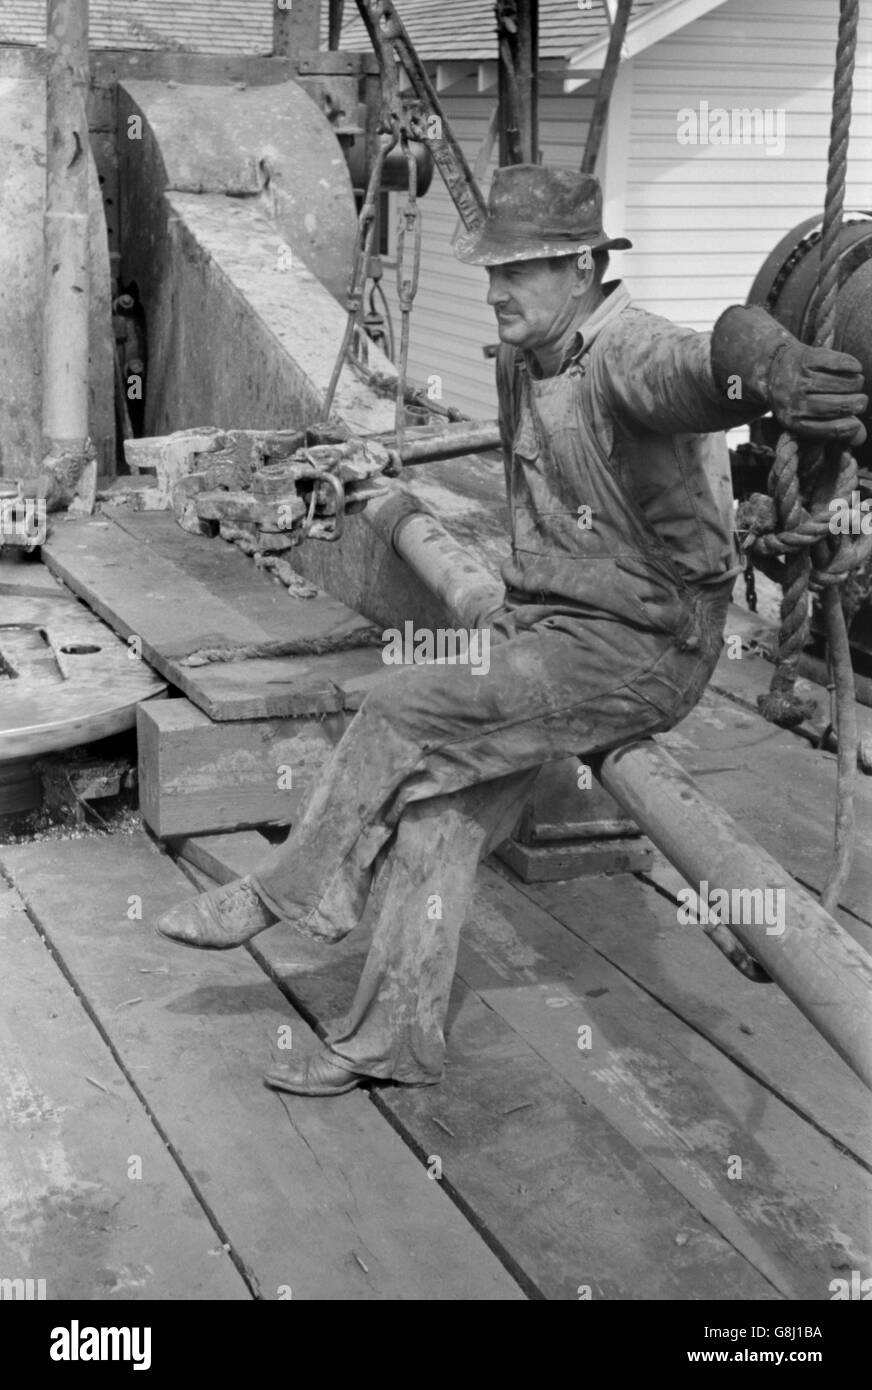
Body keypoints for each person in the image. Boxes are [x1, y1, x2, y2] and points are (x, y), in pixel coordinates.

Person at [156, 165, 867, 1096]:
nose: (494, 292)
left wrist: (769, 364)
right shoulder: (522, 357)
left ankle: (292, 892)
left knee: (405, 709)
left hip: (645, 649)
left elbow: (709, 370)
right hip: (550, 635)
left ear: (581, 268)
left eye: (518, 271)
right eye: (490, 272)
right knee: (440, 821)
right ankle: (392, 1042)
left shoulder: (627, 355)